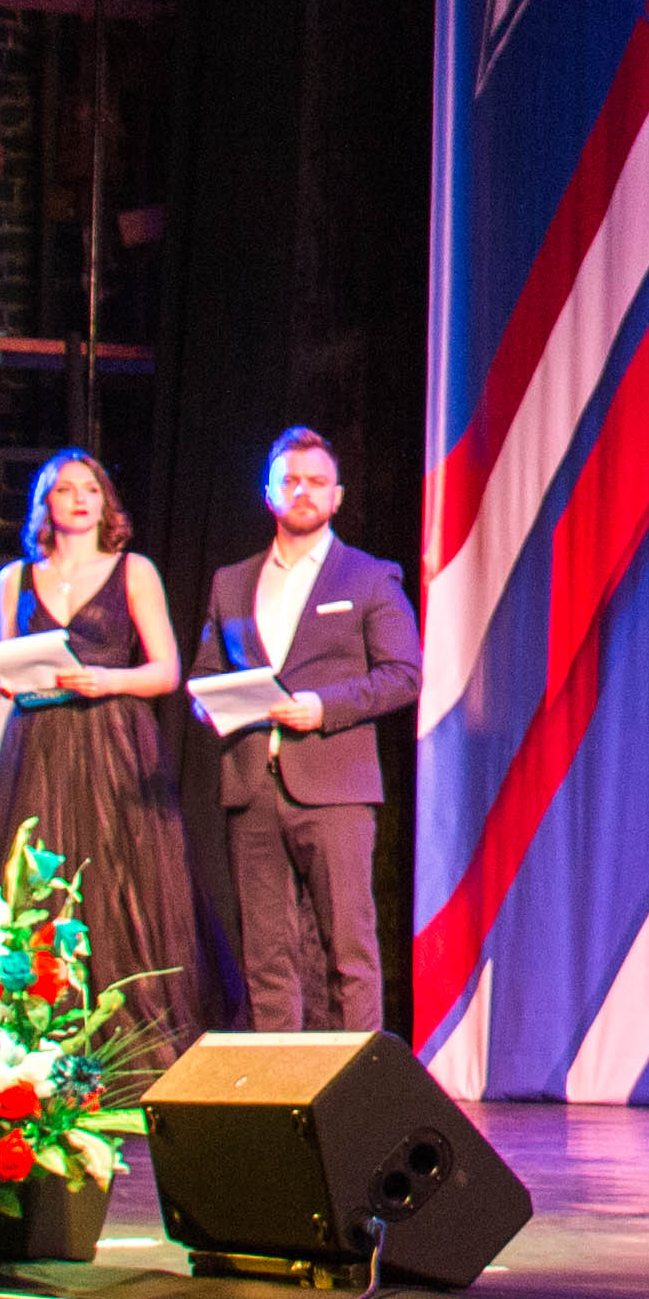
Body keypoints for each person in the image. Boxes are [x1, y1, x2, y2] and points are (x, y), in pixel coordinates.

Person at [0, 448, 200, 1058]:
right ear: (45, 503)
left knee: (117, 880)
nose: (78, 498)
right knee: (38, 879)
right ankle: (42, 1040)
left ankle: (129, 1043)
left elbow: (166, 670)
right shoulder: (16, 577)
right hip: (39, 739)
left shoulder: (133, 571)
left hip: (111, 735)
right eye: (65, 489)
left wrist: (107, 680)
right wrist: (0, 676)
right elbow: (10, 662)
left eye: (90, 489)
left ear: (104, 504)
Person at [192, 427, 420, 1038]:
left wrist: (323, 707)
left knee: (348, 950)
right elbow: (205, 675)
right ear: (268, 493)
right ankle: (281, 1085)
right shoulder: (231, 582)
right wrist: (214, 705)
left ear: (337, 496)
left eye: (317, 482)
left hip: (334, 785)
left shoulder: (368, 577)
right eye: (290, 481)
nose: (303, 492)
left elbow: (403, 675)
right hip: (252, 786)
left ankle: (359, 1079)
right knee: (266, 957)